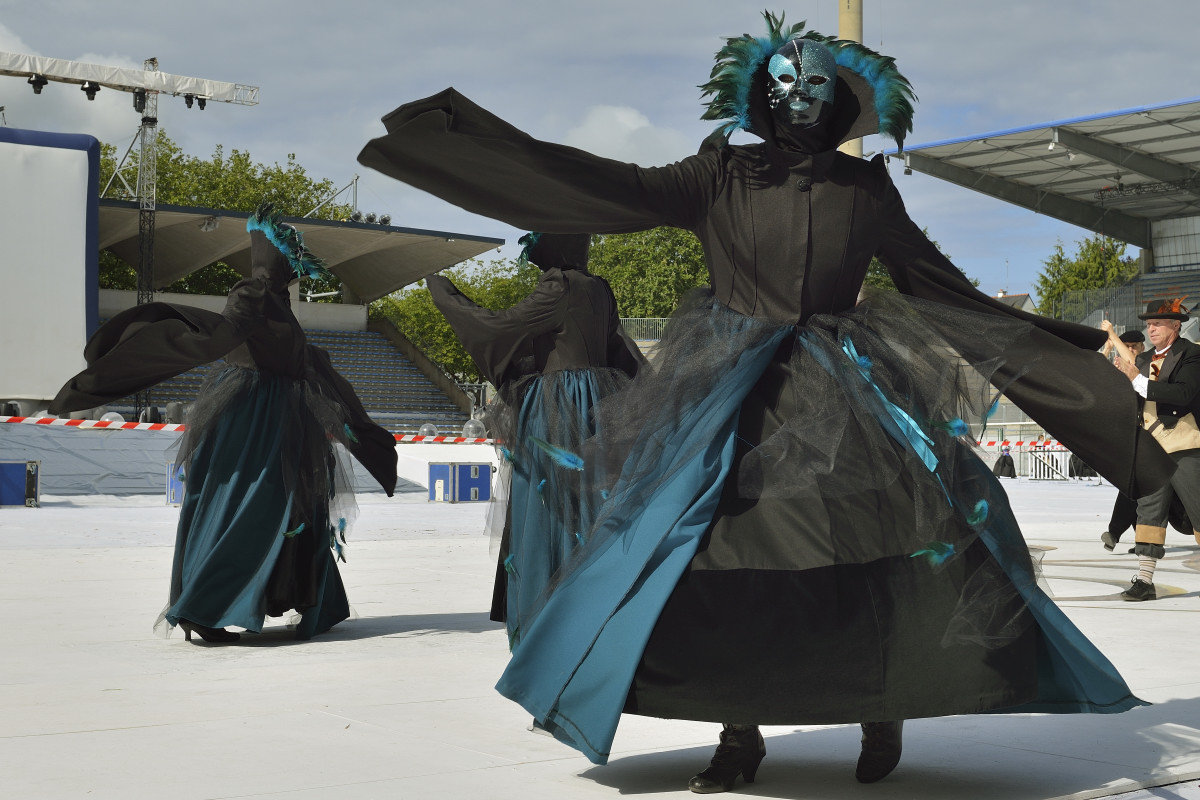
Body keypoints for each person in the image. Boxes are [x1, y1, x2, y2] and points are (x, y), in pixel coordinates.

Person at [358, 13, 1173, 790]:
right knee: (709, 553)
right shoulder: (717, 173)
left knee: (883, 547)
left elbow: (943, 289)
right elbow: (601, 183)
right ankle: (736, 730)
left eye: (816, 88)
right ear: (761, 93)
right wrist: (465, 141)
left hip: (848, 395)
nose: (800, 101)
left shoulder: (866, 188)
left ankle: (878, 710)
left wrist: (1068, 346)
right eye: (787, 86)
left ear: (841, 99)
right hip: (728, 398)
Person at [50, 204, 398, 642]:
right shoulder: (250, 294)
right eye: (288, 258)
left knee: (295, 507)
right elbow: (224, 335)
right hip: (252, 419)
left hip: (284, 420)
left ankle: (303, 599)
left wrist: (347, 421)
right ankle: (204, 608)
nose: (294, 267)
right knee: (247, 506)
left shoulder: (282, 306)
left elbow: (300, 360)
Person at [425, 232, 645, 643]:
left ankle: (548, 616)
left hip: (560, 405)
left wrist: (444, 293)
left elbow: (501, 327)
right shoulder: (599, 287)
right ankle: (593, 608)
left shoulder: (559, 284)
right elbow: (618, 348)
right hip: (599, 401)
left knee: (546, 509)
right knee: (590, 506)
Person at [1104, 300, 1200, 599]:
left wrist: (1136, 381)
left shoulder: (1192, 353)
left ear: (1175, 325)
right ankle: (1145, 581)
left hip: (1183, 443)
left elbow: (1182, 393)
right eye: (1148, 324)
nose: (1151, 328)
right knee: (1148, 513)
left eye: (1157, 324)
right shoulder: (1144, 358)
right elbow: (1131, 381)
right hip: (1151, 447)